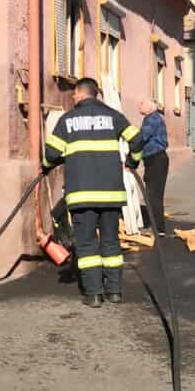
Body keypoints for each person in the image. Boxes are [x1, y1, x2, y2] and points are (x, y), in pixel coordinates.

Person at [43, 77, 144, 307]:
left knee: (86, 244)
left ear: (80, 93)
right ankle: (115, 291)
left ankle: (94, 294)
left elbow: (50, 154)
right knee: (111, 242)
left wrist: (50, 164)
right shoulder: (113, 116)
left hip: (82, 195)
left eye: (74, 94)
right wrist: (132, 161)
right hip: (111, 195)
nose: (73, 97)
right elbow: (137, 140)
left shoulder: (68, 120)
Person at [139, 98, 169, 237]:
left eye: (142, 103)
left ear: (150, 108)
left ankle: (158, 228)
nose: (140, 105)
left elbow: (142, 137)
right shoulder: (153, 118)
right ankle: (158, 227)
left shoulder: (151, 119)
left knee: (153, 195)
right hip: (156, 159)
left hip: (156, 159)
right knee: (154, 194)